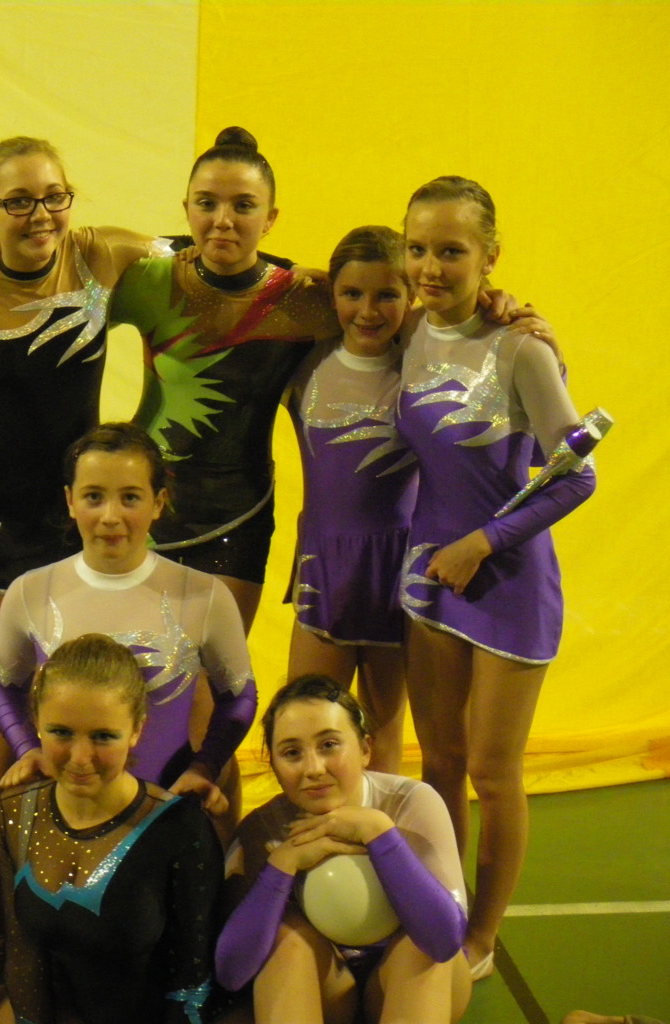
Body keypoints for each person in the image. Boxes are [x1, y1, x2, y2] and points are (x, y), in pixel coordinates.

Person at [395, 176, 595, 977]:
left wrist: (481, 542)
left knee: (491, 771)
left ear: (489, 256)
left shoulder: (521, 348)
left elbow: (576, 477)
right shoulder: (406, 328)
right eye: (416, 248)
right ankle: (443, 910)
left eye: (450, 251)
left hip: (506, 583)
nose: (429, 267)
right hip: (429, 581)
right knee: (438, 761)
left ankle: (480, 937)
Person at [111, 127, 340, 632]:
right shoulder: (152, 276)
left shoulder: (303, 298)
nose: (223, 221)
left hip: (239, 515)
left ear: (271, 218)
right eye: (207, 203)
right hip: (142, 508)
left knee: (219, 675)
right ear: (187, 208)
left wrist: (490, 306)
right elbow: (68, 264)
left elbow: (402, 315)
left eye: (244, 206)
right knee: (133, 670)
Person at [0, 423, 255, 840]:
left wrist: (206, 766)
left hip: (165, 818)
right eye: (94, 496)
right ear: (70, 501)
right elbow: (2, 686)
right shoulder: (31, 591)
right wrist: (28, 749)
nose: (110, 517)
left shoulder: (203, 595)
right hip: (64, 817)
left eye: (130, 497)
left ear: (158, 502)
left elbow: (239, 696)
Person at [0, 634, 226, 1024]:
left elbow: (193, 986)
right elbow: (23, 960)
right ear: (35, 722)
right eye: (61, 732)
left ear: (136, 729)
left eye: (103, 736)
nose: (81, 758)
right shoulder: (15, 812)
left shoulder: (179, 828)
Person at [215, 675, 471, 1023]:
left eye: (329, 745)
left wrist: (380, 834)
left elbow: (444, 940)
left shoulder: (411, 803)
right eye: (292, 753)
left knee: (420, 948)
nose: (313, 769)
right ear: (273, 765)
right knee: (284, 938)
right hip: (327, 994)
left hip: (409, 981)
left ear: (365, 749)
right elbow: (231, 972)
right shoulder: (261, 828)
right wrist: (282, 865)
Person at [282, 226, 418, 773]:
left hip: (397, 571)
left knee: (383, 738)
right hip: (324, 567)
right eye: (351, 293)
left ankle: (380, 828)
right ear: (331, 295)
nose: (367, 310)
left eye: (387, 295)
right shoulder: (303, 362)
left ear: (411, 298)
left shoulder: (422, 367)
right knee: (306, 724)